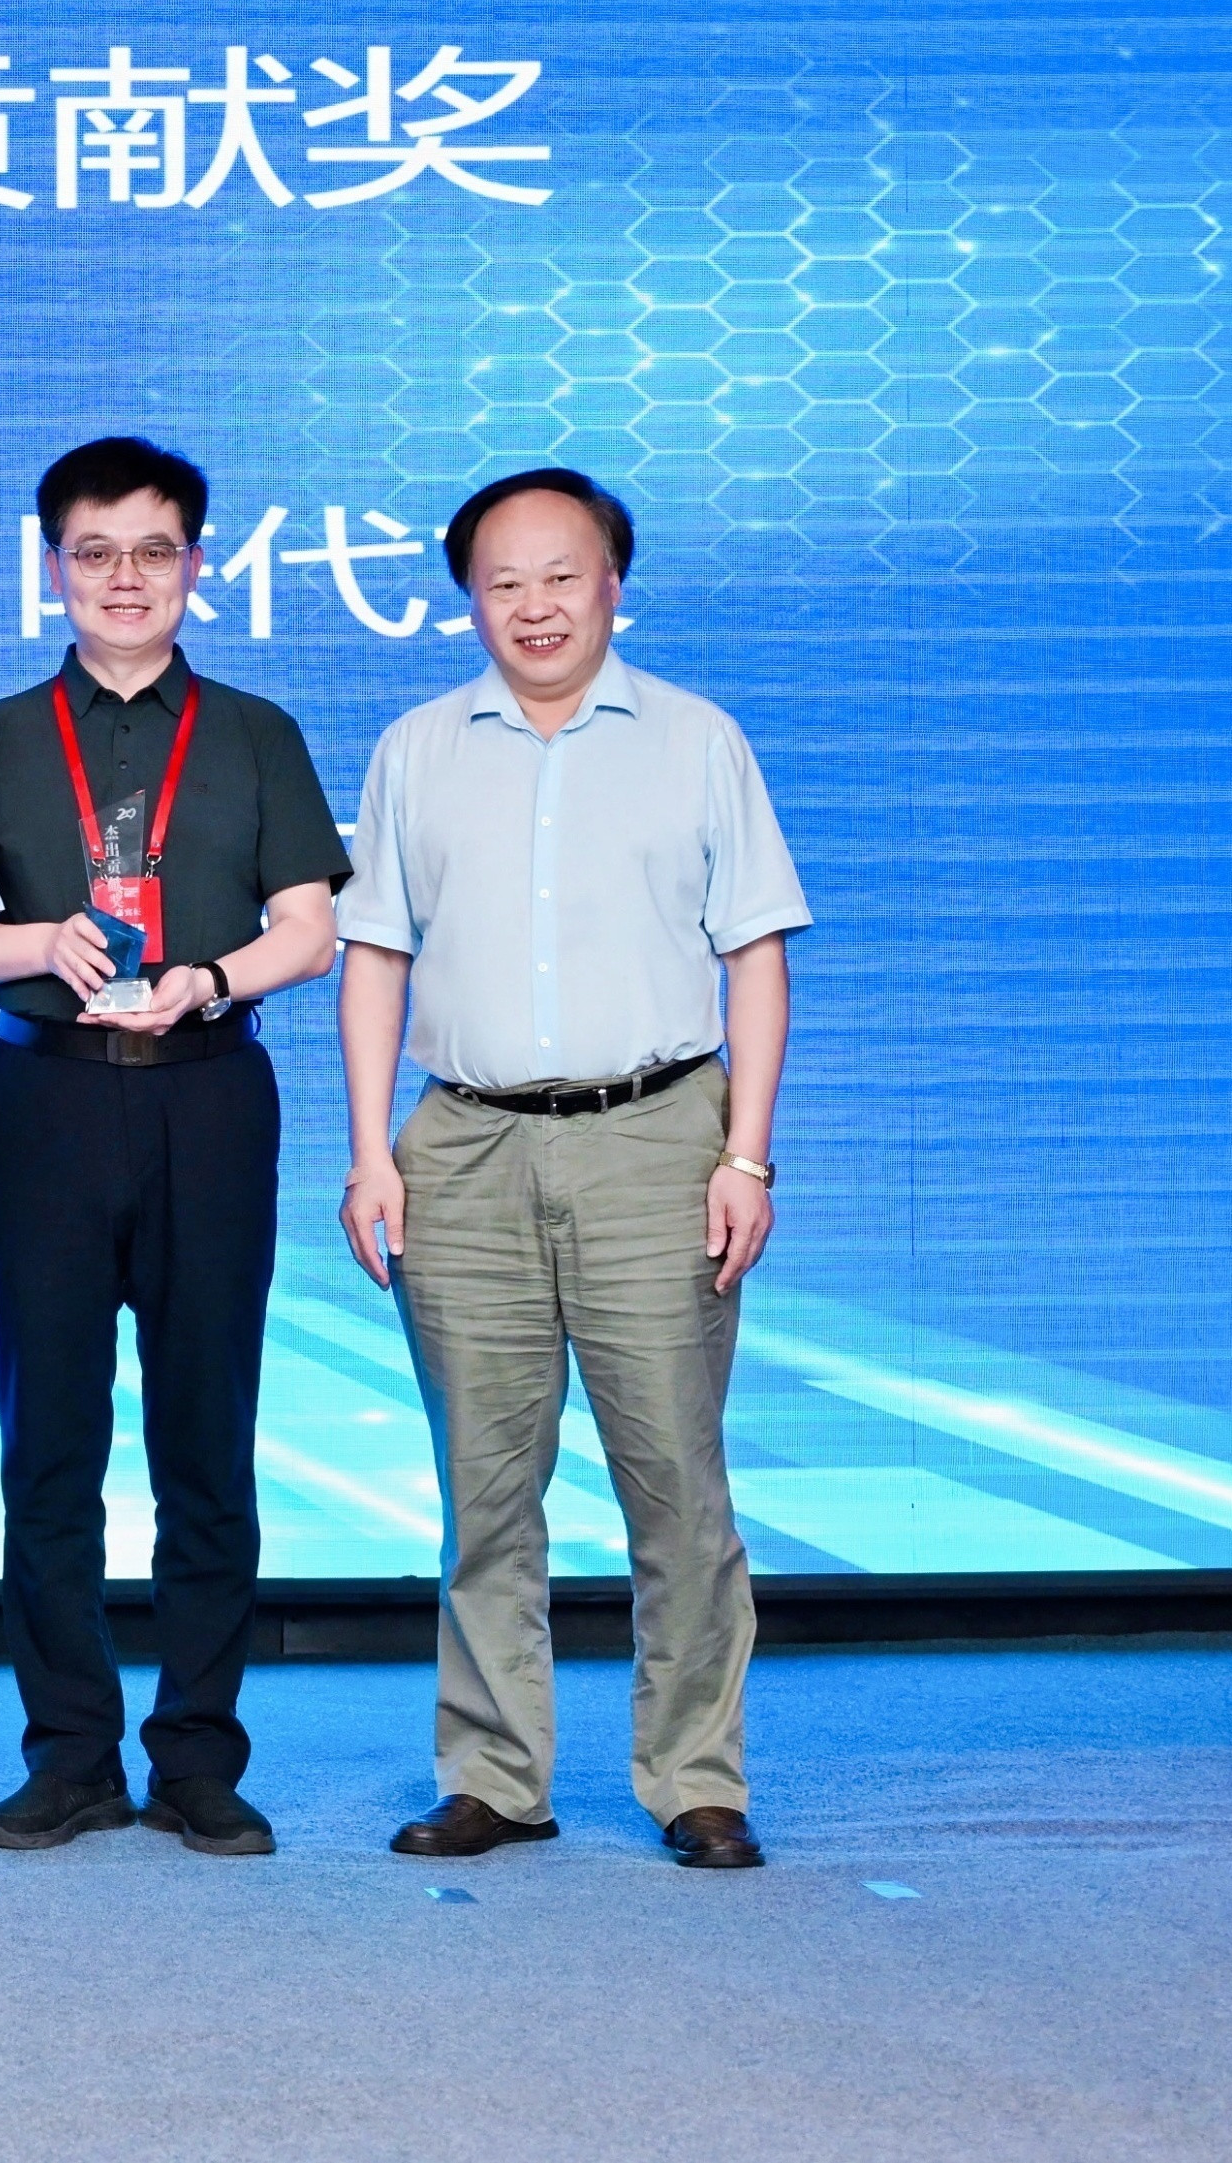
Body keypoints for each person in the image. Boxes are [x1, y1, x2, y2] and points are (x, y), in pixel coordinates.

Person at [338, 466, 804, 1873]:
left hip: (656, 1135)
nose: (533, 605)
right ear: (467, 599)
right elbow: (375, 957)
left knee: (676, 1483)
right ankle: (493, 1773)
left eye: (560, 574)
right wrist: (369, 1153)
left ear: (612, 582)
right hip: (463, 1143)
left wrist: (746, 1154)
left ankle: (696, 1777)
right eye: (502, 581)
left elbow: (755, 954)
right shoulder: (416, 748)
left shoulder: (696, 739)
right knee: (483, 1488)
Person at [0, 436, 347, 1862]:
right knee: (47, 1446)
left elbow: (311, 927)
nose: (125, 578)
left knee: (206, 1439)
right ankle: (68, 1754)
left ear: (194, 565)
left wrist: (212, 978)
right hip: (43, 1102)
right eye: (94, 552)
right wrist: (31, 944)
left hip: (207, 1097)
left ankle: (196, 1754)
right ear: (52, 567)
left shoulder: (254, 731)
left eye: (154, 551)